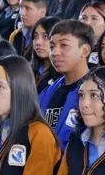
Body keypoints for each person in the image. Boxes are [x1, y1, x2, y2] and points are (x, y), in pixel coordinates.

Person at [38, 20, 93, 151]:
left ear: (85, 51)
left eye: (64, 45)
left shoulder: (98, 92)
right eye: (52, 47)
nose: (55, 52)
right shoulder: (47, 92)